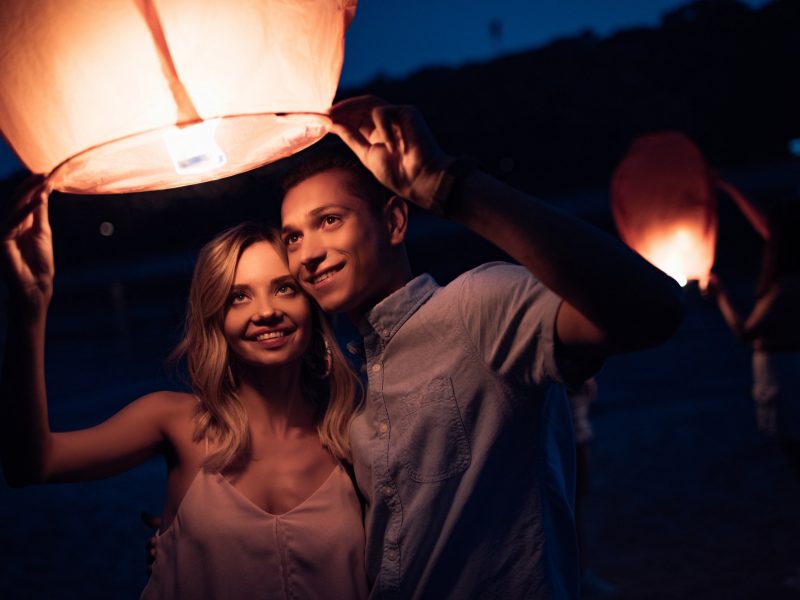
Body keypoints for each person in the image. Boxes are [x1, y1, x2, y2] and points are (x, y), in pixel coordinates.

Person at [277, 95, 685, 598]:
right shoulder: (352, 387)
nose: (308, 253)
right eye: (292, 237)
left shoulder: (476, 308)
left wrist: (450, 186)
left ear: (394, 222)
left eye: (330, 220)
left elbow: (655, 309)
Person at [0, 176, 368, 599]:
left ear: (312, 303)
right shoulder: (174, 423)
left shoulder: (354, 437)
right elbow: (31, 464)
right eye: (238, 297)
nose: (266, 311)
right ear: (216, 321)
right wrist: (30, 304)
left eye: (284, 289)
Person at [706, 185, 800, 480]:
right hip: (785, 375)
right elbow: (766, 223)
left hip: (787, 380)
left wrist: (720, 295)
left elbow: (744, 332)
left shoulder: (785, 289)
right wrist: (730, 187)